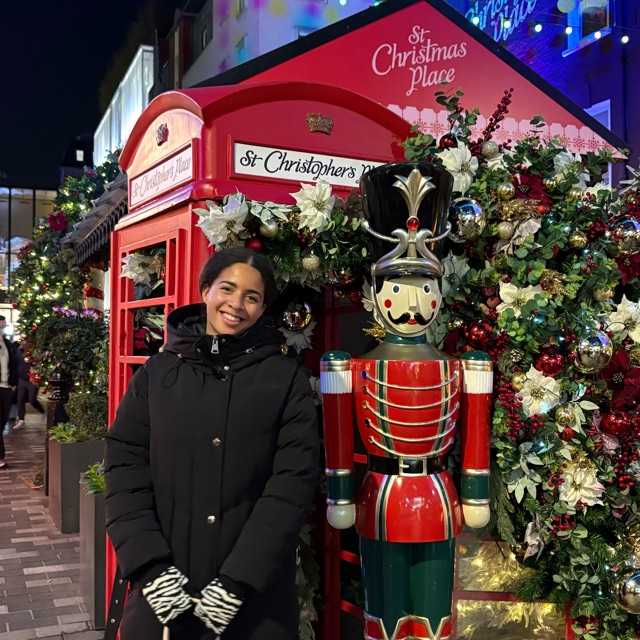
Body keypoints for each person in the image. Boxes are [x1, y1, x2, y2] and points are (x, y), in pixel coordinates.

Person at [105, 248, 320, 640]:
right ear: (206, 290)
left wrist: (237, 582)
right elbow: (124, 471)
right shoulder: (157, 373)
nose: (236, 304)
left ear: (262, 308)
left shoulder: (285, 380)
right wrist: (152, 571)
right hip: (164, 601)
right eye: (227, 288)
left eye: (252, 297)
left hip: (254, 604)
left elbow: (292, 485)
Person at [12, 343, 45, 430]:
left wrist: (35, 363)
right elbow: (15, 364)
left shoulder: (34, 351)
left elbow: (39, 361)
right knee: (20, 400)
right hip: (21, 379)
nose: (23, 343)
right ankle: (21, 420)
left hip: (32, 379)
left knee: (32, 400)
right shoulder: (18, 351)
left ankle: (43, 411)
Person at [0, 315, 18, 468]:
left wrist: (13, 383)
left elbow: (13, 364)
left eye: (3, 326)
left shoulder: (7, 343)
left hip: (6, 388)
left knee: (2, 422)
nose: (3, 328)